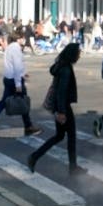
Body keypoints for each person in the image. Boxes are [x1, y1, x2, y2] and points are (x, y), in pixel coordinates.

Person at [28, 42, 84, 174]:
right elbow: (61, 91)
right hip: (63, 107)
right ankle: (73, 168)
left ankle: (34, 157)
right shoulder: (66, 69)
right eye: (78, 53)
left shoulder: (61, 65)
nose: (79, 56)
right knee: (70, 137)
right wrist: (61, 112)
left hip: (59, 106)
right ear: (72, 54)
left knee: (59, 136)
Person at [0, 33, 41, 137]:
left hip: (8, 78)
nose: (24, 40)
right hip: (14, 80)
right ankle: (28, 126)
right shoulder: (16, 48)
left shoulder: (9, 47)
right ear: (18, 39)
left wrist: (23, 73)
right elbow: (17, 66)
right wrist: (18, 83)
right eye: (22, 38)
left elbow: (12, 64)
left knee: (3, 103)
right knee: (23, 101)